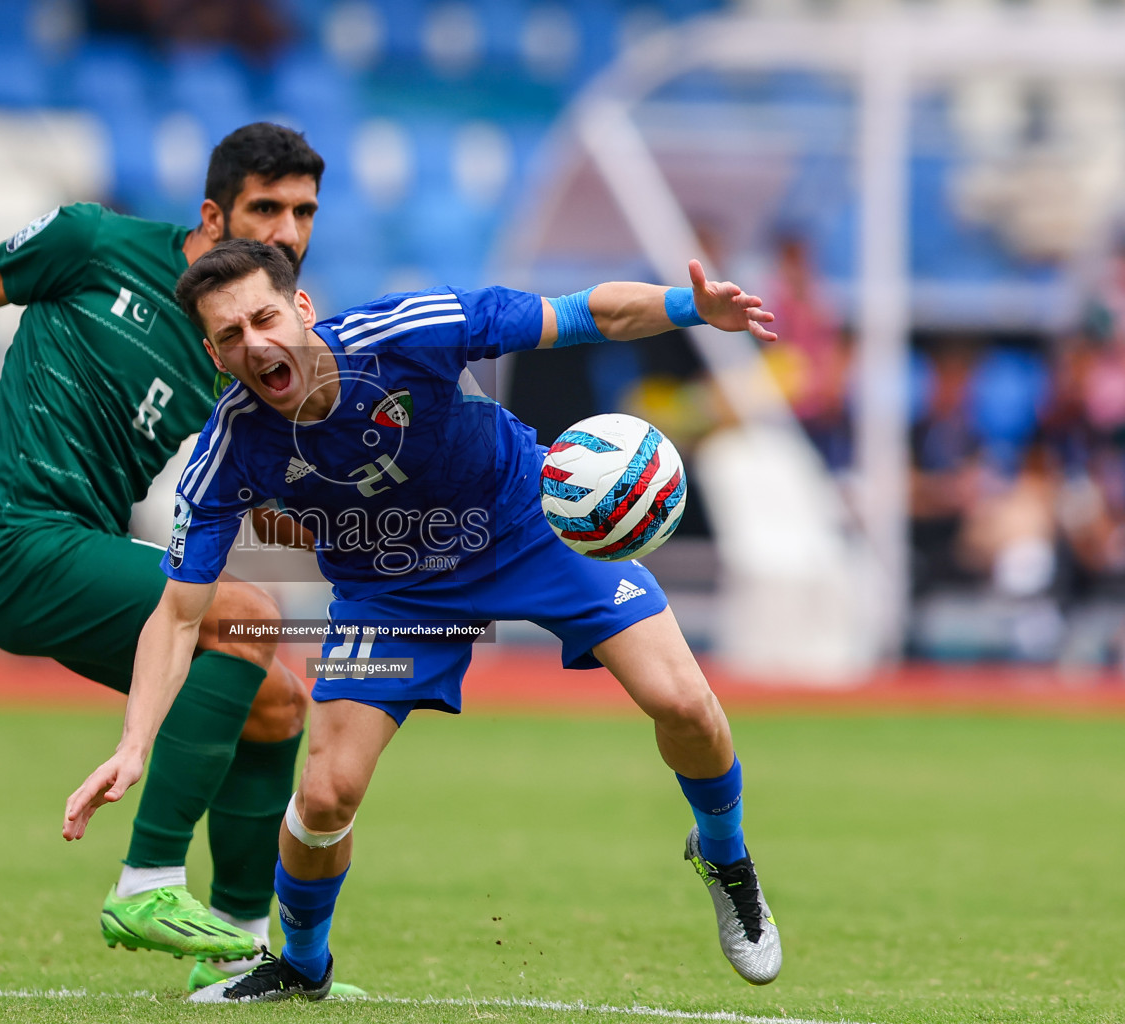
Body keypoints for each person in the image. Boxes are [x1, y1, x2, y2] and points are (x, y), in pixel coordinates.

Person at [61, 239, 784, 1002]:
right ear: (214, 353)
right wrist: (134, 743)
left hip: (525, 526)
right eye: (232, 336)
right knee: (324, 798)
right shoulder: (230, 448)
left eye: (266, 317)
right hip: (390, 597)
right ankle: (302, 967)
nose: (257, 343)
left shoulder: (412, 331)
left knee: (683, 703)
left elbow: (582, 313)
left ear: (302, 308)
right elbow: (179, 616)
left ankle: (725, 857)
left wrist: (688, 308)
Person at [0, 125, 356, 992]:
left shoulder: (242, 348)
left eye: (304, 212)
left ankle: (238, 963)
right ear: (214, 213)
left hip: (80, 543)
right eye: (266, 208)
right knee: (245, 616)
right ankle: (149, 880)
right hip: (13, 535)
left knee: (275, 704)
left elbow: (292, 487)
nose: (287, 231)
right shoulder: (94, 243)